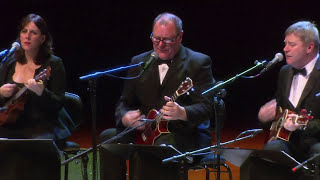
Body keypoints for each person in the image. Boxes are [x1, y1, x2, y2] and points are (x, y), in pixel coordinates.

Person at [99, 12, 216, 180]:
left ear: (180, 36)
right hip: (145, 132)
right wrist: (125, 118)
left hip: (185, 135)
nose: (160, 45)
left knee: (156, 147)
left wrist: (182, 112)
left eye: (167, 40)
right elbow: (123, 102)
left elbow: (207, 107)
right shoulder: (139, 62)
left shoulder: (199, 62)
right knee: (108, 138)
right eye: (156, 38)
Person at [241, 21, 320, 180]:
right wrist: (265, 117)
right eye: (285, 44)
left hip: (316, 142)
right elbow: (280, 114)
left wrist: (302, 125)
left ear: (309, 47)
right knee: (265, 155)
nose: (285, 49)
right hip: (289, 142)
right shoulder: (285, 72)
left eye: (291, 44)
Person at [0, 13, 70, 149]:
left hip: (42, 125)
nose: (27, 36)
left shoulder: (54, 64)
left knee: (34, 145)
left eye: (33, 33)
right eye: (24, 31)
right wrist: (1, 93)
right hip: (11, 122)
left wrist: (41, 92)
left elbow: (58, 104)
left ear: (43, 38)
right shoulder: (9, 62)